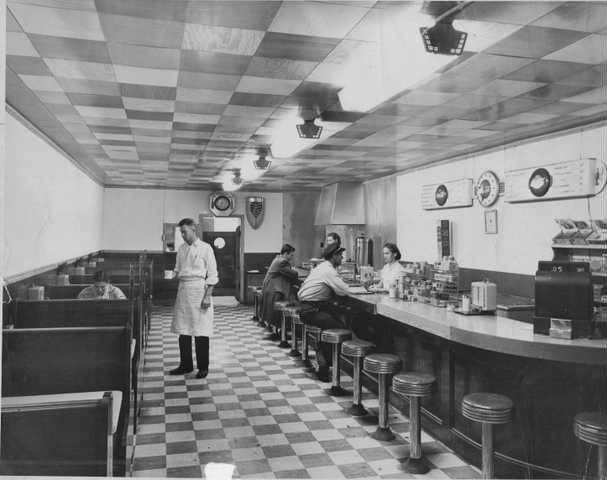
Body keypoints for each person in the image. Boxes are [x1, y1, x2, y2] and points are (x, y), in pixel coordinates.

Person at [170, 218, 219, 379]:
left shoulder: (206, 248)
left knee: (200, 331)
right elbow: (177, 270)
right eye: (181, 232)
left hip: (199, 291)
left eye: (184, 231)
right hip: (184, 291)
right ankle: (185, 365)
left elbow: (212, 275)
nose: (183, 235)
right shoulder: (181, 249)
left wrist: (208, 296)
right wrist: (172, 275)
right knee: (183, 331)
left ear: (193, 229)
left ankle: (203, 367)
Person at [298, 243, 353, 380]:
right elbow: (344, 290)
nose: (342, 258)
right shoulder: (329, 270)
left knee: (336, 320)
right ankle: (323, 362)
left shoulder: (322, 267)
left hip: (308, 307)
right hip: (311, 309)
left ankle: (323, 359)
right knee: (339, 327)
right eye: (340, 256)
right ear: (334, 256)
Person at [259, 244, 301, 328]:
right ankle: (289, 326)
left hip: (269, 287)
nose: (292, 257)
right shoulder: (282, 262)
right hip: (273, 288)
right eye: (291, 255)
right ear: (285, 253)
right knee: (292, 299)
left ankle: (283, 326)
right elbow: (293, 274)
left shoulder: (278, 258)